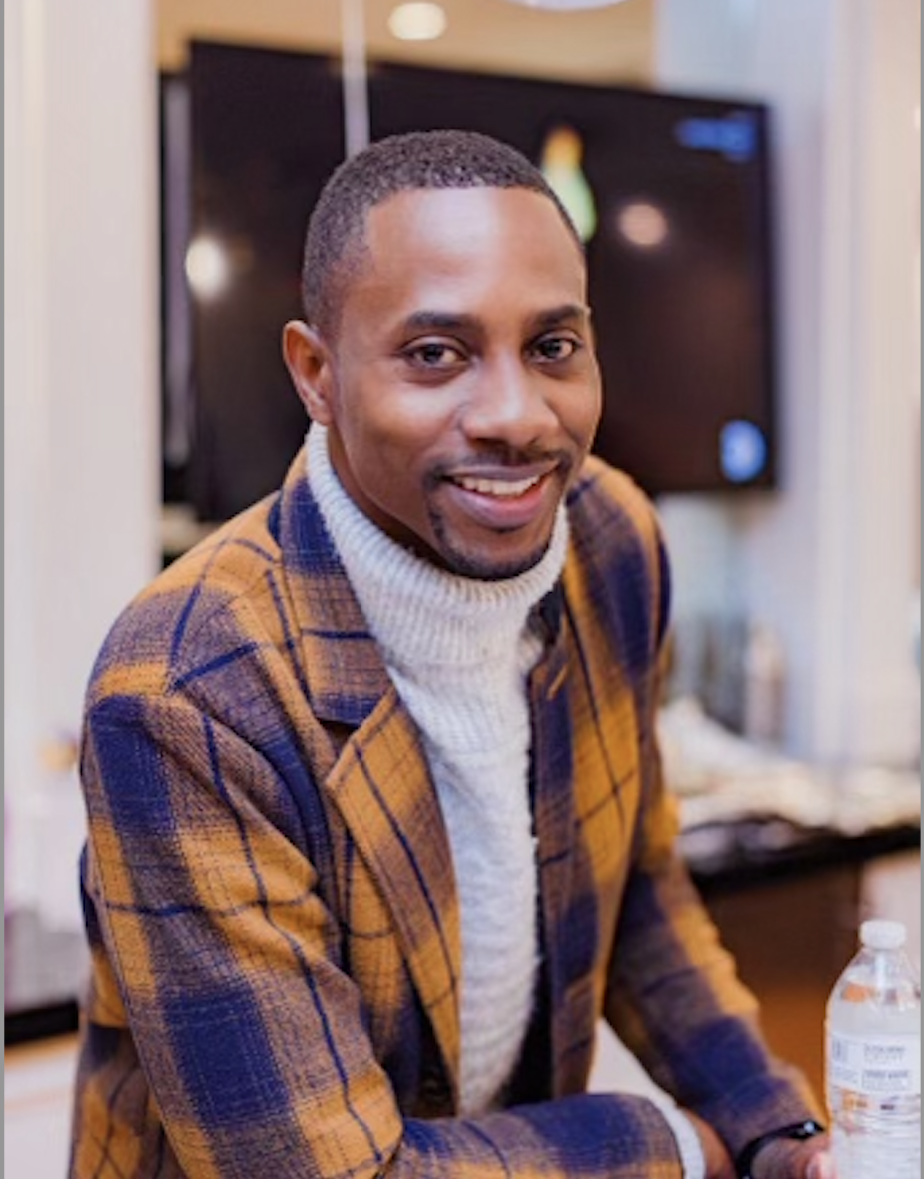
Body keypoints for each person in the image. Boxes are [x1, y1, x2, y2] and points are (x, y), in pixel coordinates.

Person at [69, 130, 834, 1179]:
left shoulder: (612, 543)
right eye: (436, 353)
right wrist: (668, 1144)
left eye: (554, 346)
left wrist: (778, 1130)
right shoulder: (188, 689)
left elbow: (638, 888)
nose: (518, 416)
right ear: (317, 372)